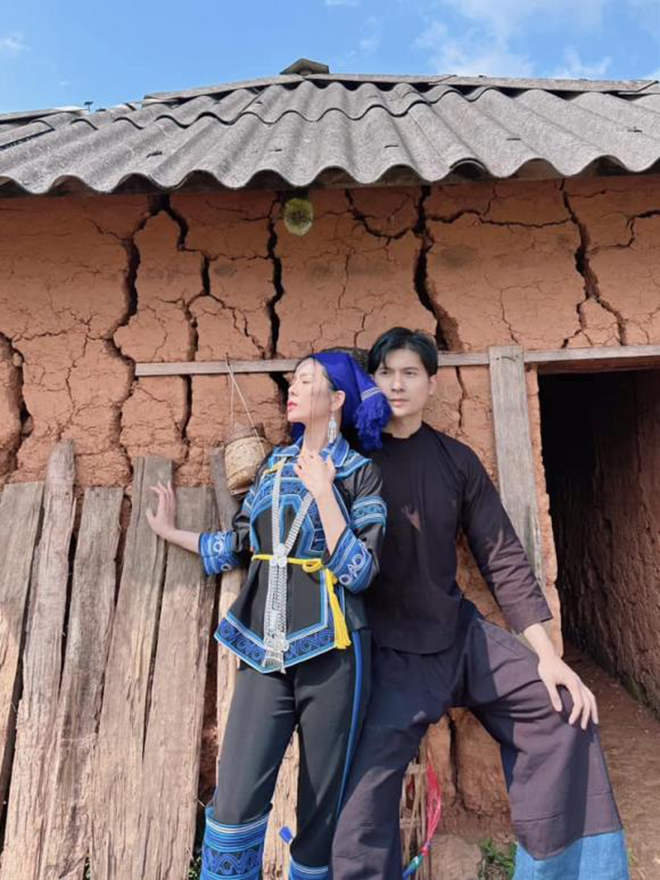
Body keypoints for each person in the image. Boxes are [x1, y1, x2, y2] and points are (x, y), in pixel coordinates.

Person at [331, 327, 629, 880]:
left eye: (410, 373)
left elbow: (501, 556)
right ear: (371, 381)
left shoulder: (456, 460)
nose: (397, 384)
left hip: (460, 638)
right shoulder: (349, 460)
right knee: (360, 794)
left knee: (564, 712)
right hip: (388, 653)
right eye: (385, 372)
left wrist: (547, 655)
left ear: (432, 384)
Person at [146, 351, 389, 880]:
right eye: (292, 381)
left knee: (321, 808)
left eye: (305, 380)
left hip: (335, 652)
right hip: (264, 651)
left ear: (338, 399)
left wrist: (324, 492)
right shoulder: (274, 465)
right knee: (233, 800)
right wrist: (170, 533)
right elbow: (238, 545)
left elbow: (362, 572)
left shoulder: (360, 473)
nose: (292, 389)